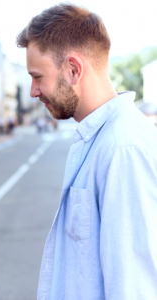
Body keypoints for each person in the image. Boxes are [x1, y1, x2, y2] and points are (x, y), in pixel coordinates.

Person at [16, 3, 157, 300]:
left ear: (73, 69)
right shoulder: (100, 138)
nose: (33, 91)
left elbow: (133, 287)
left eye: (38, 76)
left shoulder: (122, 149)